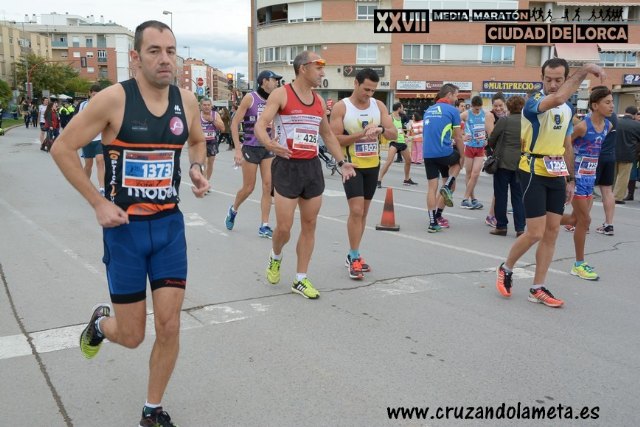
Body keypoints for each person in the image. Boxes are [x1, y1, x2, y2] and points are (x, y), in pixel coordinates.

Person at [50, 20, 209, 426]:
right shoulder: (113, 100)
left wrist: (196, 168)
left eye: (170, 51)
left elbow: (197, 140)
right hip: (125, 232)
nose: (165, 59)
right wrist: (97, 202)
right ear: (136, 57)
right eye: (155, 51)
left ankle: (152, 410)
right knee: (133, 335)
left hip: (169, 229)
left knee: (170, 325)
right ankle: (101, 325)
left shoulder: (187, 101)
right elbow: (63, 148)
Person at [495, 58, 606, 308]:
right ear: (541, 78)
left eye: (558, 80)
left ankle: (537, 287)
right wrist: (585, 70)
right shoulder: (534, 102)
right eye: (548, 79)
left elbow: (567, 144)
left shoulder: (567, 109)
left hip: (556, 171)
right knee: (535, 232)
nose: (553, 84)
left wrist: (570, 179)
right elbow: (557, 98)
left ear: (565, 79)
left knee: (552, 231)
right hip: (533, 169)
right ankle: (506, 267)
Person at [255, 50, 356, 299]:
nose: (322, 72)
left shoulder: (319, 101)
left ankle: (300, 278)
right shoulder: (281, 94)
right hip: (287, 166)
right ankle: (276, 255)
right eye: (318, 67)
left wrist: (342, 162)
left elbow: (327, 135)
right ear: (303, 68)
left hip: (311, 167)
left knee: (310, 224)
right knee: (284, 228)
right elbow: (260, 124)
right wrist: (269, 144)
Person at [330, 67, 396, 280]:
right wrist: (361, 135)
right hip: (352, 166)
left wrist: (381, 130)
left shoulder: (379, 106)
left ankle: (355, 252)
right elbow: (334, 138)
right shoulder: (342, 107)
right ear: (356, 84)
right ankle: (353, 256)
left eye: (373, 90)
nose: (369, 94)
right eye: (366, 89)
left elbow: (394, 133)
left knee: (364, 213)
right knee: (356, 211)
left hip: (372, 165)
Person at [561, 87, 613, 280]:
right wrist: (568, 176)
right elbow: (566, 144)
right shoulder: (583, 126)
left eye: (612, 102)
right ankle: (579, 264)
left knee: (574, 220)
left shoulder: (608, 126)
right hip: (577, 178)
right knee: (585, 221)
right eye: (607, 102)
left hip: (590, 178)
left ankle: (542, 221)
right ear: (595, 105)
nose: (612, 106)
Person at [226, 70, 281, 237]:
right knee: (249, 187)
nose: (277, 83)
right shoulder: (250, 98)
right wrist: (237, 149)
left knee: (268, 186)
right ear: (264, 81)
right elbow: (234, 123)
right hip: (250, 147)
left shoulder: (275, 100)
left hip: (268, 148)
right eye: (274, 80)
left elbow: (276, 123)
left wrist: (276, 141)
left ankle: (264, 225)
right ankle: (234, 209)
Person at [422, 83, 465, 232]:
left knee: (432, 188)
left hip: (428, 154)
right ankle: (447, 186)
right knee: (458, 160)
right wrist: (463, 156)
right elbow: (458, 137)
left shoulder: (429, 110)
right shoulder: (453, 110)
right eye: (456, 95)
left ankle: (433, 222)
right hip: (444, 153)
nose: (457, 98)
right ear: (449, 95)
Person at [486, 95, 526, 237]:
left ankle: (501, 226)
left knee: (501, 195)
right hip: (521, 164)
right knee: (518, 197)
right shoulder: (528, 122)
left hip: (502, 163)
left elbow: (492, 139)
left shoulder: (504, 120)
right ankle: (520, 228)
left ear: (508, 107)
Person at [459, 95, 494, 209]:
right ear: (471, 106)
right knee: (469, 174)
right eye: (475, 109)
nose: (477, 111)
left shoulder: (486, 114)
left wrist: (487, 140)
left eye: (479, 109)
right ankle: (473, 199)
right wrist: (462, 136)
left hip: (480, 148)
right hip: (469, 147)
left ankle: (465, 198)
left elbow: (490, 130)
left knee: (475, 174)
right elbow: (453, 124)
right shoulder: (466, 114)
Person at [377, 102, 418, 187]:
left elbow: (400, 129)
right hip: (394, 142)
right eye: (402, 108)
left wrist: (405, 136)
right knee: (389, 161)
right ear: (399, 108)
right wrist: (390, 137)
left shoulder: (400, 117)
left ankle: (407, 179)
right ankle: (379, 180)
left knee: (408, 161)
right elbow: (385, 128)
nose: (403, 110)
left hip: (402, 142)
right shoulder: (390, 117)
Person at [79, 86, 106, 195]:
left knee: (100, 161)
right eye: (94, 94)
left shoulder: (104, 105)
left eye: (98, 95)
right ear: (90, 93)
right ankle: (85, 186)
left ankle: (102, 188)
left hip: (100, 138)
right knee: (88, 164)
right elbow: (79, 120)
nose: (96, 97)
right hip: (87, 138)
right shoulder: (83, 105)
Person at [613, 106, 640, 204]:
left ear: (625, 112)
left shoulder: (616, 122)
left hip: (613, 152)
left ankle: (608, 196)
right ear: (635, 114)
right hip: (628, 154)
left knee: (613, 176)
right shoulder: (637, 125)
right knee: (623, 177)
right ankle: (617, 197)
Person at [199, 98, 224, 191]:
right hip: (201, 142)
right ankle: (204, 184)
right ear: (201, 106)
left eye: (208, 105)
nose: (206, 107)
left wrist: (212, 120)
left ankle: (207, 181)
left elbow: (223, 128)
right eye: (204, 105)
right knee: (204, 163)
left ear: (211, 106)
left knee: (210, 163)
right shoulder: (197, 115)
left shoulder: (215, 115)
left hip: (212, 141)